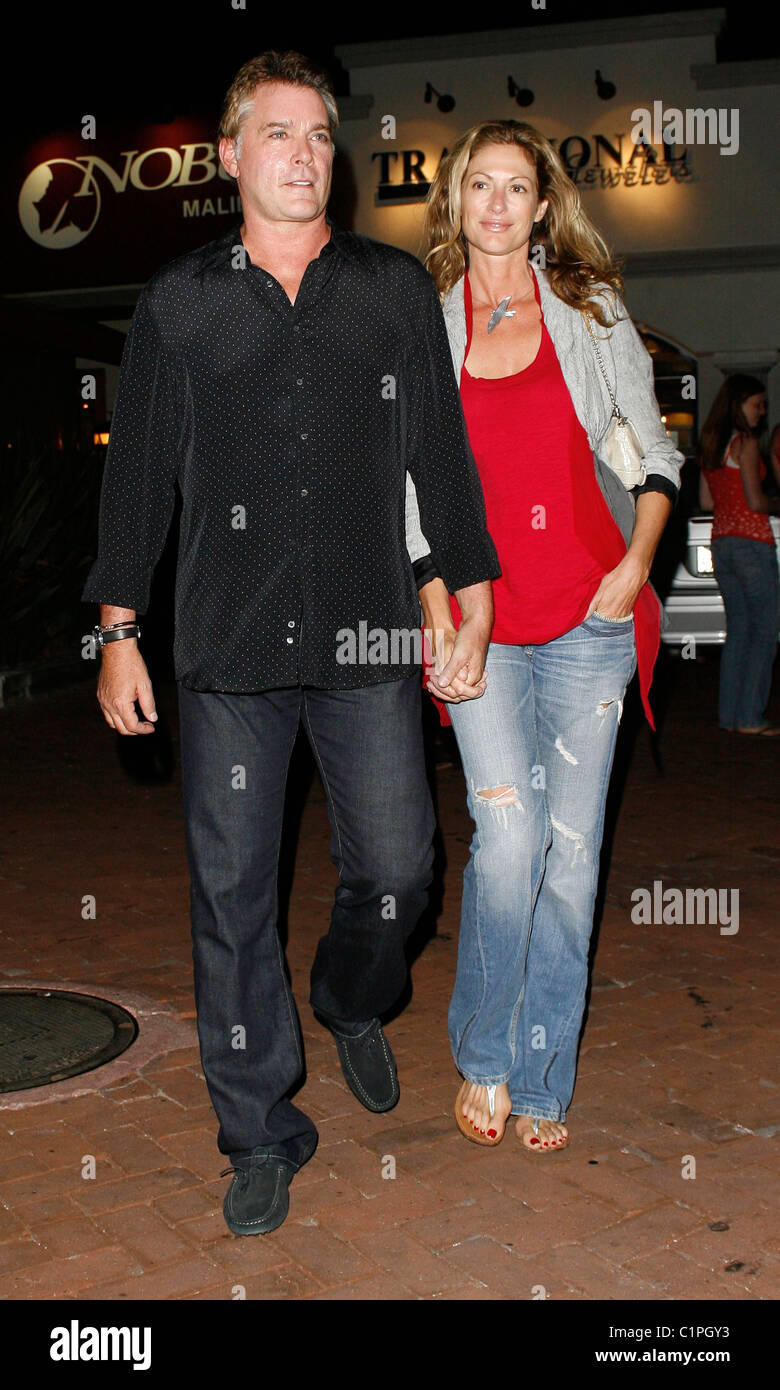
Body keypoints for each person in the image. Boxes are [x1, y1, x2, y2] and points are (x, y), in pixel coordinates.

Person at [83, 52, 499, 1236]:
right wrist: (118, 630)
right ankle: (261, 1127)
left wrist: (468, 596)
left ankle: (349, 994)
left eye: (320, 134)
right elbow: (136, 485)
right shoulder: (178, 304)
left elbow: (441, 462)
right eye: (279, 133)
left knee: (405, 872)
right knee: (231, 898)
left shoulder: (388, 292)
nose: (305, 153)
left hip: (369, 632)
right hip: (227, 645)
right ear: (230, 156)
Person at [405, 120, 682, 1151]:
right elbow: (406, 488)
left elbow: (655, 451)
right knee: (509, 836)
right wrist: (437, 601)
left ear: (541, 205)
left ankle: (542, 1065)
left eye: (516, 187)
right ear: (456, 200)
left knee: (569, 858)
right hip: (480, 623)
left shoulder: (590, 312)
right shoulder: (426, 324)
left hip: (586, 619)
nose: (496, 204)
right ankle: (484, 1053)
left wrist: (634, 564)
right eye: (479, 184)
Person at [699, 375, 780, 734]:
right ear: (738, 403)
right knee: (765, 630)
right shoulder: (745, 444)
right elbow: (756, 501)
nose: (762, 411)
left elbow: (705, 502)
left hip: (723, 543)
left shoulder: (713, 444)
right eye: (757, 404)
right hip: (751, 542)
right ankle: (749, 717)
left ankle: (730, 716)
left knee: (740, 631)